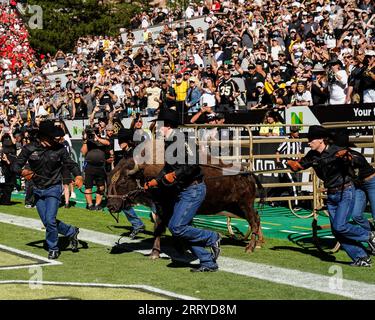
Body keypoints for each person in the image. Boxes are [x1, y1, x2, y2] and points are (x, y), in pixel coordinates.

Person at [144, 108, 221, 272]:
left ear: (167, 125)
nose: (157, 129)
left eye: (159, 125)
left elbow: (194, 163)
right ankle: (208, 262)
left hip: (193, 189)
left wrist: (175, 174)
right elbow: (168, 169)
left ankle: (212, 237)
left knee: (177, 227)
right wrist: (155, 181)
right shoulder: (169, 141)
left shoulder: (183, 138)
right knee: (180, 228)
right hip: (182, 190)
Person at [287, 125, 375, 267]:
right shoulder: (312, 155)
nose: (308, 142)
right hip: (332, 195)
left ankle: (369, 236)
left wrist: (348, 157)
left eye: (311, 140)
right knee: (337, 230)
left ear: (321, 140)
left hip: (345, 191)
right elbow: (300, 165)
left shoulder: (337, 150)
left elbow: (356, 160)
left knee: (340, 226)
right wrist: (292, 164)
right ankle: (361, 257)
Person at [12, 121, 83, 259]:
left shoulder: (60, 149)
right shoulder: (29, 148)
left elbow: (70, 163)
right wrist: (23, 172)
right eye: (53, 137)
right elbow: (15, 166)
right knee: (47, 222)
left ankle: (53, 248)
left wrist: (78, 175)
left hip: (54, 187)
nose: (56, 139)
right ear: (44, 137)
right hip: (37, 189)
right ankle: (71, 231)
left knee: (50, 220)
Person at [332, 130, 375, 233]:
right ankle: (372, 234)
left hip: (372, 182)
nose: (335, 151)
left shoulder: (354, 156)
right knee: (356, 215)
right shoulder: (338, 159)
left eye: (337, 149)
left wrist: (349, 159)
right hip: (359, 185)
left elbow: (356, 160)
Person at [117, 128, 145, 239]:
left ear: (128, 141)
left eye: (121, 141)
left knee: (155, 206)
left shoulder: (135, 151)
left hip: (140, 182)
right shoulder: (126, 152)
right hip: (132, 183)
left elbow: (138, 167)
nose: (119, 143)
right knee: (124, 202)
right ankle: (137, 224)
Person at [276, 126, 302, 208]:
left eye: (297, 131)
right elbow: (278, 151)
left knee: (285, 183)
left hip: (294, 163)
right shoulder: (287, 140)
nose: (297, 133)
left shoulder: (298, 141)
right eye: (295, 131)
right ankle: (295, 204)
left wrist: (300, 161)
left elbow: (299, 151)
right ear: (291, 132)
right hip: (286, 162)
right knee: (292, 181)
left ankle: (274, 200)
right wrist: (278, 162)